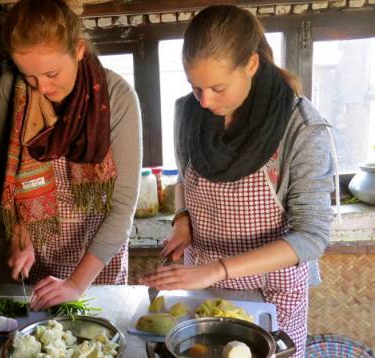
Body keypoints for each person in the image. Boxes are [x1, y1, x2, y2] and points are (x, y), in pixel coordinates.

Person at [139, 5, 336, 357]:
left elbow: (312, 236)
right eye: (195, 87)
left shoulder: (300, 128)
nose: (205, 101)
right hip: (203, 284)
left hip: (270, 293)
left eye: (217, 87)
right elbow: (186, 179)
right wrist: (183, 221)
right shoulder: (187, 113)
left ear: (251, 65)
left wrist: (218, 270)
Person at [0, 0, 142, 311]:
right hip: (41, 259)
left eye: (51, 73)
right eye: (30, 76)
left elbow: (122, 207)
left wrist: (77, 283)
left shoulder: (117, 97)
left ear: (78, 50)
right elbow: (9, 178)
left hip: (96, 264)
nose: (42, 88)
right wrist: (21, 239)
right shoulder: (12, 88)